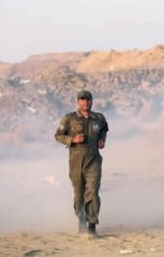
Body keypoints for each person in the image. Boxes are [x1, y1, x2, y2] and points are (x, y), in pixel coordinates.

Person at [55, 90, 109, 237]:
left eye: (88, 99)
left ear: (92, 101)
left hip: (93, 161)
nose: (85, 102)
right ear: (78, 102)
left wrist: (102, 140)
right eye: (82, 99)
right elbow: (58, 135)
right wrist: (72, 139)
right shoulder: (69, 119)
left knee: (93, 191)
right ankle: (81, 219)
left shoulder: (99, 118)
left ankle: (92, 225)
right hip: (76, 162)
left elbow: (104, 129)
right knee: (79, 196)